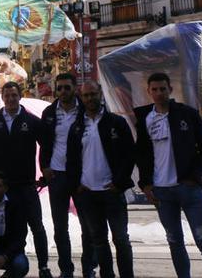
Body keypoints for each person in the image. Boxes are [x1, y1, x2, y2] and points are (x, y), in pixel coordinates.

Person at [134, 72, 202, 278]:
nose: (159, 93)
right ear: (148, 92)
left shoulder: (187, 114)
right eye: (154, 90)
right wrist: (146, 184)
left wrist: (194, 177)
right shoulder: (145, 120)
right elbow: (142, 154)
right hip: (162, 192)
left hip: (188, 189)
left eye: (162, 89)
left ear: (170, 90)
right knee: (174, 241)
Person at [66, 80, 135, 278]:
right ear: (82, 98)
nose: (90, 98)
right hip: (87, 193)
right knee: (99, 240)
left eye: (93, 94)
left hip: (112, 192)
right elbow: (71, 160)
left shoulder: (116, 122)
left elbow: (129, 155)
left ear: (100, 94)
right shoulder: (77, 127)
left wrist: (119, 182)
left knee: (121, 239)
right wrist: (76, 186)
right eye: (86, 95)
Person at [0, 81, 51, 278]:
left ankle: (44, 266)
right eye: (7, 95)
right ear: (2, 98)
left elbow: (46, 146)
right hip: (1, 188)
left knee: (36, 226)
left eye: (14, 95)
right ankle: (4, 263)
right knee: (1, 227)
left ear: (20, 96)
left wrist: (44, 171)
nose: (11, 99)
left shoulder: (32, 121)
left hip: (26, 185)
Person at [39, 72, 95, 278]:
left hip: (82, 176)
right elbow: (44, 143)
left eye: (67, 87)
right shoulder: (49, 112)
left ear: (75, 89)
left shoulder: (86, 110)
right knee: (60, 228)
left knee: (88, 226)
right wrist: (44, 167)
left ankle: (89, 267)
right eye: (60, 87)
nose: (63, 91)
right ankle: (66, 269)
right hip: (57, 176)